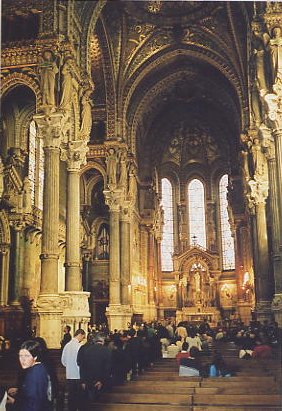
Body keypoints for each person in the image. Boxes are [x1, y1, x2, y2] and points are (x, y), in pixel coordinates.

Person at [6, 339, 51, 411]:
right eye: (20, 356)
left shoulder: (34, 373)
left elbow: (33, 404)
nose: (23, 360)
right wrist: (19, 390)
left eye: (27, 356)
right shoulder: (40, 367)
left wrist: (14, 402)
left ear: (35, 357)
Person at [77, 333, 111, 407]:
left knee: (89, 403)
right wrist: (101, 380)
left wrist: (83, 381)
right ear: (103, 340)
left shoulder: (87, 350)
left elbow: (82, 366)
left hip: (88, 380)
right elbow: (107, 368)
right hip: (100, 381)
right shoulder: (106, 350)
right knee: (100, 404)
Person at [61, 328, 86, 411]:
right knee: (79, 397)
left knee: (71, 397)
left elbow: (63, 361)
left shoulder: (67, 346)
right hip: (78, 375)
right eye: (83, 337)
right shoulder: (79, 346)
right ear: (80, 335)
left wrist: (69, 366)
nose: (83, 339)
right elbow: (82, 361)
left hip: (69, 375)